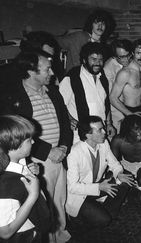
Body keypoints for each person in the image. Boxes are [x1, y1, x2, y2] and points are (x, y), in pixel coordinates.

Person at [0, 51, 73, 242]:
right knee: (43, 205)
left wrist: (64, 147)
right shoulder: (13, 96)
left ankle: (60, 236)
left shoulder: (53, 92)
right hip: (38, 160)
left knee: (58, 201)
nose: (52, 73)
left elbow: (65, 123)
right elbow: (16, 134)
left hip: (59, 156)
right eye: (47, 69)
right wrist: (48, 151)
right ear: (31, 71)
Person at [66, 116, 134, 228]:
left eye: (103, 128)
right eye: (100, 130)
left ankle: (110, 212)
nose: (104, 132)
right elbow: (72, 187)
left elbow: (114, 164)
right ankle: (81, 217)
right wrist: (98, 187)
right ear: (88, 135)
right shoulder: (75, 152)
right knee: (103, 220)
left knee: (126, 180)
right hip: (80, 194)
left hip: (99, 185)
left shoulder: (103, 143)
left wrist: (119, 174)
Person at [0, 115, 51, 242]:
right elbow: (5, 232)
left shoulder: (20, 163)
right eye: (29, 140)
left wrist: (28, 170)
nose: (33, 142)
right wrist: (33, 195)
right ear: (14, 145)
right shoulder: (5, 184)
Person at [60, 42, 116, 142]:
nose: (98, 63)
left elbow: (105, 104)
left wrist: (109, 123)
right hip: (79, 135)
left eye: (100, 60)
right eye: (93, 59)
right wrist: (69, 119)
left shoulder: (102, 77)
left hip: (100, 132)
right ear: (84, 60)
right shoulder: (72, 77)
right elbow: (59, 103)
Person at [111, 115, 141, 202]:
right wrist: (119, 173)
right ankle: (129, 189)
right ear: (127, 130)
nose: (140, 131)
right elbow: (113, 162)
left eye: (140, 128)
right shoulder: (118, 140)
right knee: (119, 182)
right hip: (127, 164)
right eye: (136, 129)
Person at [110, 39, 141, 124]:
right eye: (138, 53)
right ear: (132, 53)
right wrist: (129, 114)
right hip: (131, 110)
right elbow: (112, 98)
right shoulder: (125, 73)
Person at [104, 39, 133, 131]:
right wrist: (127, 114)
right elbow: (110, 98)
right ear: (114, 56)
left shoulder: (131, 61)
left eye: (128, 55)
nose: (126, 59)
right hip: (117, 114)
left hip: (128, 109)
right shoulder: (108, 69)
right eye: (122, 57)